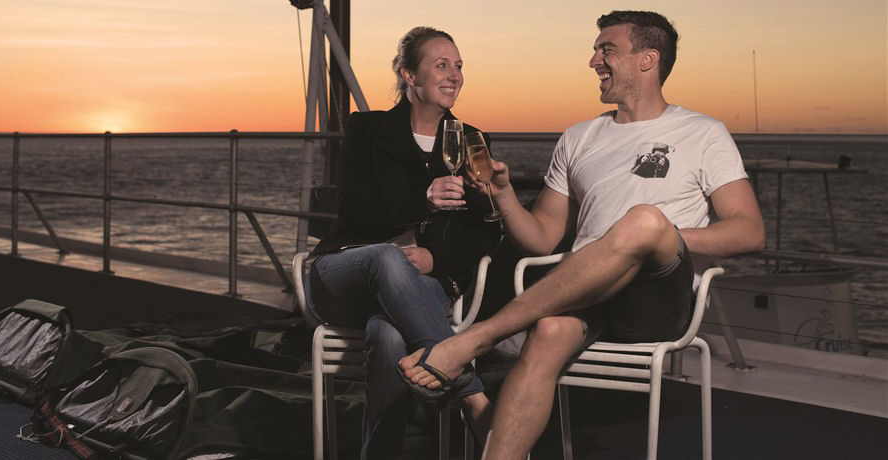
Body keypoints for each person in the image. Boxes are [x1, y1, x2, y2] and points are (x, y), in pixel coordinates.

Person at [398, 10, 766, 458]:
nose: (594, 61)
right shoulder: (579, 138)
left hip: (657, 298)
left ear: (647, 59)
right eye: (595, 51)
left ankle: (476, 338)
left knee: (644, 220)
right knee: (549, 330)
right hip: (588, 290)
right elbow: (542, 239)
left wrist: (649, 238)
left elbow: (749, 231)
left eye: (606, 50)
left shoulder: (703, 133)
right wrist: (504, 194)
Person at [305, 26, 500, 459]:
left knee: (389, 336)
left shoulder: (471, 140)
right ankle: (473, 395)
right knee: (386, 257)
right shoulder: (367, 129)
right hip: (346, 273)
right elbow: (352, 211)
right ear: (409, 74)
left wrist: (435, 256)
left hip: (421, 286)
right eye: (441, 65)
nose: (454, 75)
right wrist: (422, 200)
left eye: (458, 66)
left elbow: (487, 232)